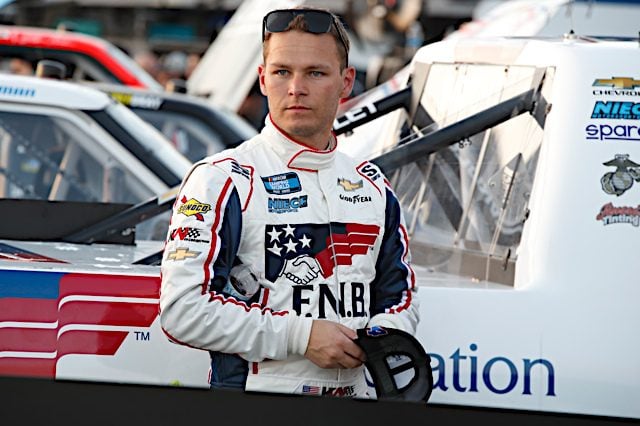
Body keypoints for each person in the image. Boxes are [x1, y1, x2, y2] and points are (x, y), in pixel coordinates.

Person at [159, 6, 419, 397]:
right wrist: (302, 335)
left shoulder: (372, 186)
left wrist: (380, 339)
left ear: (346, 82)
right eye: (282, 72)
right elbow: (182, 311)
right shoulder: (221, 178)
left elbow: (401, 298)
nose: (296, 88)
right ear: (262, 79)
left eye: (315, 73)